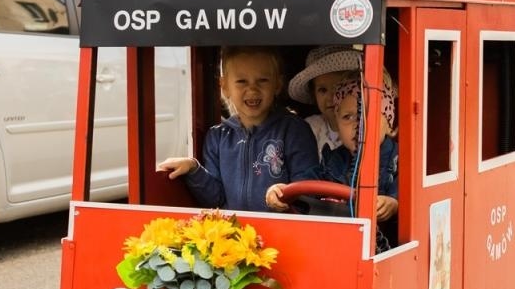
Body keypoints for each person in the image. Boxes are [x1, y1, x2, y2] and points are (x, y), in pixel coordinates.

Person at [158, 45, 321, 212]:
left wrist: (286, 194)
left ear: (278, 84)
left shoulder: (294, 131)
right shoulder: (217, 137)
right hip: (235, 234)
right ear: (225, 87)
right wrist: (193, 169)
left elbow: (309, 192)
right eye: (241, 81)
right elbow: (215, 198)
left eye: (262, 80)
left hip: (284, 231)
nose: (252, 89)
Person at [320, 77, 398, 224]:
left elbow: (414, 197)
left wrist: (394, 203)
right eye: (347, 117)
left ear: (389, 122)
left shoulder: (400, 159)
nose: (358, 125)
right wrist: (282, 190)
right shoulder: (332, 160)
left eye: (368, 115)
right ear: (337, 125)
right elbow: (309, 187)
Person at [287, 45, 359, 157]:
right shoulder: (310, 128)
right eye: (323, 90)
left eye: (338, 88)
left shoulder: (362, 126)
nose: (330, 97)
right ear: (313, 94)